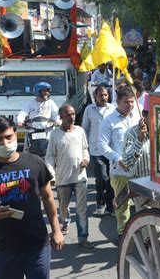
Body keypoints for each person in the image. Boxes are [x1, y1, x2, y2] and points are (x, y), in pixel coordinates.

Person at [0, 117, 64, 279]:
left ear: (16, 135)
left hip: (37, 245)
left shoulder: (35, 162)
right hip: (4, 249)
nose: (5, 143)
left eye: (9, 137)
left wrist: (56, 231)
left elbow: (48, 198)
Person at [99, 85, 148, 239]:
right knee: (122, 206)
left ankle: (146, 235)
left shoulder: (138, 117)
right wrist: (116, 158)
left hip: (140, 170)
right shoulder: (108, 121)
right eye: (126, 102)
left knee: (143, 205)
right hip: (120, 171)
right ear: (118, 101)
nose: (130, 105)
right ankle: (124, 235)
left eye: (132, 102)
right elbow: (102, 145)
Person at [45, 104, 93, 249]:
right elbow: (50, 157)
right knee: (63, 208)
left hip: (80, 178)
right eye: (68, 115)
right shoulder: (55, 134)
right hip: (62, 179)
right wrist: (51, 176)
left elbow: (85, 149)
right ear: (61, 117)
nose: (71, 117)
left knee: (82, 210)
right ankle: (65, 223)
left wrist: (86, 159)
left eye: (73, 114)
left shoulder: (80, 131)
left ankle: (83, 237)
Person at [81, 85, 116, 216]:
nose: (103, 97)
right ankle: (100, 202)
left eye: (106, 95)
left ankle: (111, 205)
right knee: (102, 177)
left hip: (111, 149)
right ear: (95, 96)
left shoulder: (113, 109)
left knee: (111, 178)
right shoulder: (89, 109)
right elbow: (85, 128)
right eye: (100, 95)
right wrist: (84, 147)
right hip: (96, 150)